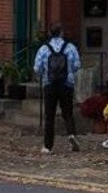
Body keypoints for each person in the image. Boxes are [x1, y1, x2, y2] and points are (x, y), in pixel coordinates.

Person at [33, 24, 81, 153]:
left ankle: (48, 146)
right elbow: (77, 65)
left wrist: (43, 74)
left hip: (49, 84)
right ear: (61, 33)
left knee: (50, 115)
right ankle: (71, 134)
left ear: (50, 33)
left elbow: (37, 68)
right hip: (67, 84)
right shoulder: (70, 47)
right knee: (68, 112)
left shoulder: (44, 49)